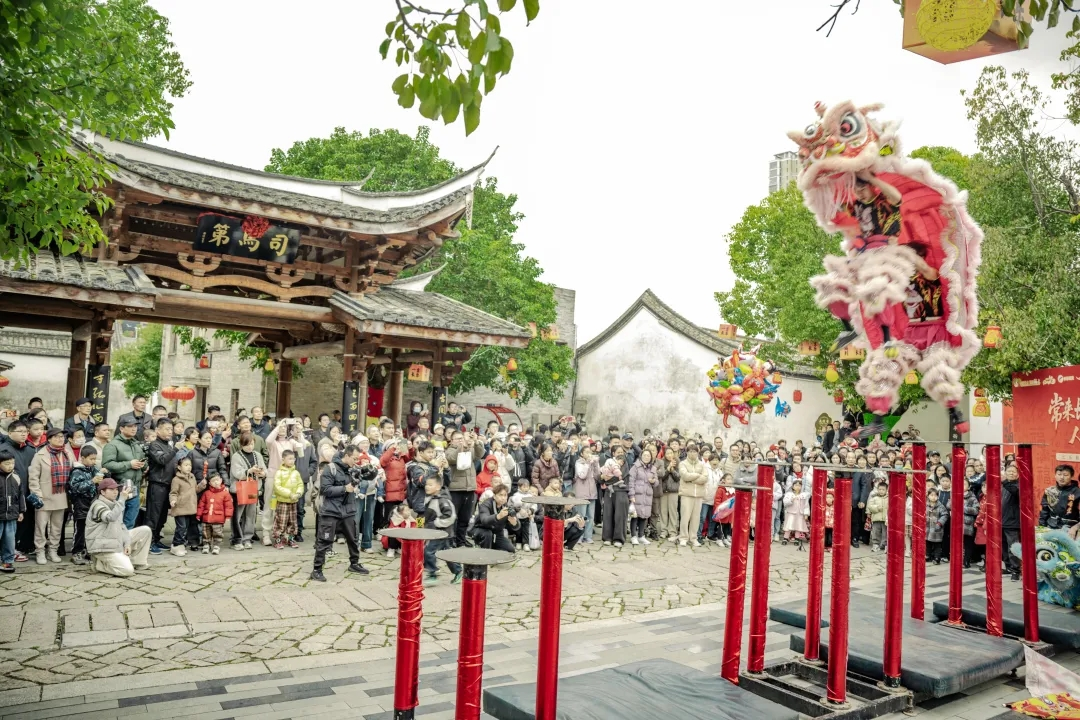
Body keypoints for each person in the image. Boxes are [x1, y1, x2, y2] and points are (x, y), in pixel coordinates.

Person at [311, 445, 368, 581]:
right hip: (331, 510)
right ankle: (317, 570)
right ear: (346, 455)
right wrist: (344, 488)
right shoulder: (330, 468)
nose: (356, 461)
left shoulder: (353, 469)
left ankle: (354, 563)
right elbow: (325, 490)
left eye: (358, 459)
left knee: (353, 539)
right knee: (324, 540)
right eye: (354, 458)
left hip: (348, 509)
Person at [85, 478, 152, 576]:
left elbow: (122, 526)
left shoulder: (116, 504)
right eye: (111, 489)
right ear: (102, 492)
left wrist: (127, 543)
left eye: (116, 489)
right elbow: (110, 517)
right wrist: (122, 499)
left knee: (145, 530)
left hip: (115, 541)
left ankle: (137, 562)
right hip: (103, 547)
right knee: (127, 571)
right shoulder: (97, 505)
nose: (115, 492)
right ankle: (99, 565)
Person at [27, 428, 74, 564]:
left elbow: (73, 471)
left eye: (62, 437)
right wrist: (37, 494)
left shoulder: (67, 453)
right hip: (44, 496)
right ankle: (40, 551)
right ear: (49, 439)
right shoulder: (40, 455)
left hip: (61, 494)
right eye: (57, 437)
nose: (60, 439)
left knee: (57, 526)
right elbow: (33, 477)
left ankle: (53, 550)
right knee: (41, 526)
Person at [0, 421, 37, 562]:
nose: (24, 434)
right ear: (10, 433)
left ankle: (14, 549)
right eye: (20, 431)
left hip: (27, 493)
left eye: (25, 431)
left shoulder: (30, 450)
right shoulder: (4, 449)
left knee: (23, 522)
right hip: (7, 495)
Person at [101, 416, 146, 529]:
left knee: (130, 522)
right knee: (116, 522)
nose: (134, 429)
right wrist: (129, 464)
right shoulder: (112, 445)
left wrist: (143, 465)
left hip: (135, 487)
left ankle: (126, 540)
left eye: (135, 426)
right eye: (130, 426)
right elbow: (107, 464)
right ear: (121, 428)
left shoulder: (136, 444)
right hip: (119, 488)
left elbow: (143, 461)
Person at [444, 430, 485, 548]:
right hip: (455, 489)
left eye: (461, 438)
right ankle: (451, 540)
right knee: (453, 517)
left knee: (465, 517)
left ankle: (461, 540)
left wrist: (476, 441)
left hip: (469, 488)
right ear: (451, 441)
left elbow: (480, 454)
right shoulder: (449, 450)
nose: (460, 440)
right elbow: (452, 458)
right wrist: (461, 447)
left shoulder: (469, 449)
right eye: (457, 439)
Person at [422, 472, 462, 586]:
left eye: (430, 485)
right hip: (436, 532)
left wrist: (437, 523)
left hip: (442, 533)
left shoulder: (442, 500)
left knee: (428, 551)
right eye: (426, 484)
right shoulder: (430, 499)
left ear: (438, 487)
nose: (427, 487)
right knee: (446, 554)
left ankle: (433, 573)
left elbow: (451, 516)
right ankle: (458, 571)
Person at [145, 419, 178, 554]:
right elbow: (162, 460)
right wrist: (176, 449)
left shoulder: (168, 445)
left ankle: (157, 538)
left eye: (171, 429)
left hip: (168, 484)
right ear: (158, 430)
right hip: (157, 484)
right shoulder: (154, 445)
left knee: (163, 516)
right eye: (167, 429)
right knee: (153, 515)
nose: (170, 432)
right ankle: (149, 542)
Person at [229, 432, 266, 550]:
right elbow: (237, 473)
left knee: (251, 514)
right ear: (242, 444)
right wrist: (249, 471)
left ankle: (247, 538)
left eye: (252, 444)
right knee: (237, 515)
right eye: (247, 444)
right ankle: (236, 539)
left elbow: (264, 470)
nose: (250, 447)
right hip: (239, 489)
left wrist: (262, 473)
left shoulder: (257, 455)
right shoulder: (236, 456)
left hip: (253, 488)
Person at [67, 446, 102, 565]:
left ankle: (88, 551)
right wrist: (92, 481)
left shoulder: (93, 469)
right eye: (91, 459)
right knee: (80, 530)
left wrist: (103, 474)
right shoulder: (77, 471)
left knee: (91, 529)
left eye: (95, 459)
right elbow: (75, 488)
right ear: (82, 458)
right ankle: (76, 552)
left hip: (92, 503)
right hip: (80, 504)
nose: (93, 461)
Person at [471, 484, 519, 553]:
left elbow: (517, 526)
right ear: (494, 496)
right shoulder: (486, 504)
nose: (503, 498)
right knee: (488, 534)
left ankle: (493, 549)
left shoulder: (506, 506)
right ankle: (484, 553)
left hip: (497, 534)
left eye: (505, 495)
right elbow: (485, 520)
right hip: (481, 530)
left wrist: (514, 523)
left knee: (510, 550)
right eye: (500, 495)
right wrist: (498, 516)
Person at [0, 449, 26, 573]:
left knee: (10, 540)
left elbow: (21, 495)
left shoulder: (16, 477)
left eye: (12, 463)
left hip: (12, 514)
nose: (10, 466)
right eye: (7, 463)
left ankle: (8, 561)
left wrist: (21, 511)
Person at [272, 449, 304, 548]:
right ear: (283, 459)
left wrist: (298, 493)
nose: (292, 461)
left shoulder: (296, 473)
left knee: (292, 521)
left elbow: (300, 484)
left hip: (293, 501)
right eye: (289, 459)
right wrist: (289, 494)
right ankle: (278, 539)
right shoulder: (279, 473)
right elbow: (277, 487)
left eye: (293, 459)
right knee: (281, 520)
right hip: (283, 501)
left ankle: (291, 538)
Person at [168, 455, 199, 556]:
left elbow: (195, 489)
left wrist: (201, 486)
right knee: (181, 527)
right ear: (179, 467)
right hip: (180, 507)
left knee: (186, 527)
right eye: (186, 465)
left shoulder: (192, 477)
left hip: (190, 507)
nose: (189, 467)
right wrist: (173, 500)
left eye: (190, 465)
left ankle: (181, 544)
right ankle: (176, 545)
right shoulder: (176, 479)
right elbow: (173, 492)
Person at [196, 473, 233, 555]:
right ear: (209, 483)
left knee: (218, 533)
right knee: (206, 532)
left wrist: (228, 516)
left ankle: (217, 545)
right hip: (206, 517)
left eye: (217, 480)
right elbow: (201, 505)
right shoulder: (206, 493)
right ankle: (206, 544)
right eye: (213, 481)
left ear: (221, 480)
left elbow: (228, 506)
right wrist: (199, 514)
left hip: (218, 518)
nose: (216, 482)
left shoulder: (225, 493)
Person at [678, 445, 707, 546]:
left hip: (698, 495)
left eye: (694, 451)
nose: (692, 453)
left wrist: (692, 479)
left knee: (696, 518)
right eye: (690, 451)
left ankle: (693, 538)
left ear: (697, 453)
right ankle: (683, 537)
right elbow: (685, 476)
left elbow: (705, 478)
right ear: (687, 452)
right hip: (686, 494)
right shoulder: (683, 463)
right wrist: (697, 475)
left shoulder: (702, 464)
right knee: (685, 517)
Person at [627, 448, 657, 545]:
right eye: (645, 455)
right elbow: (631, 481)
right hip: (637, 494)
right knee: (635, 516)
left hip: (647, 495)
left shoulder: (653, 468)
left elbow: (656, 482)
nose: (646, 457)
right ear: (641, 456)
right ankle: (633, 536)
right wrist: (631, 494)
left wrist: (653, 481)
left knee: (644, 516)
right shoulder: (635, 467)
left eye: (648, 456)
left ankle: (641, 535)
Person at [572, 443, 599, 544]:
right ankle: (579, 536)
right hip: (581, 492)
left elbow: (597, 475)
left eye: (590, 452)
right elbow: (582, 475)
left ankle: (588, 536)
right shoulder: (579, 462)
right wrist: (588, 463)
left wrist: (595, 464)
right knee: (581, 515)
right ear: (582, 454)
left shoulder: (592, 462)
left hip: (592, 492)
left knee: (590, 516)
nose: (589, 454)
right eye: (586, 452)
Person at [380, 438, 409, 531]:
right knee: (389, 516)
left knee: (399, 517)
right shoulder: (387, 458)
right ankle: (386, 536)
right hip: (390, 493)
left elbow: (410, 457)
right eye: (392, 445)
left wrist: (410, 448)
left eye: (396, 445)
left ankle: (397, 536)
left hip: (400, 492)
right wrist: (392, 449)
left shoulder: (401, 458)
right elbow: (382, 461)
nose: (396, 447)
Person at [1039, 464, 1080, 530]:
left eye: (1065, 475)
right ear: (1055, 475)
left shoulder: (1077, 492)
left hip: (1070, 528)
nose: (1061, 477)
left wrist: (1075, 528)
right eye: (1059, 474)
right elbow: (1044, 510)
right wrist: (1042, 526)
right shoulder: (1049, 491)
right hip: (1051, 525)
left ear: (1071, 476)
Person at [601, 458, 628, 547]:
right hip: (609, 491)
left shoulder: (625, 467)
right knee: (607, 515)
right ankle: (607, 538)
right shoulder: (608, 463)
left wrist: (609, 478)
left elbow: (622, 478)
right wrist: (602, 477)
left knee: (620, 516)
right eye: (617, 452)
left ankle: (618, 538)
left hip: (621, 492)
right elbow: (600, 476)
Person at [1002, 463, 1022, 581]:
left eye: (1013, 471)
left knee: (1013, 547)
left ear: (1018, 474)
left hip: (1013, 522)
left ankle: (1016, 570)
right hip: (1001, 521)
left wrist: (1004, 481)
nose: (1011, 473)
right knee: (1004, 547)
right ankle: (1008, 567)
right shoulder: (1003, 486)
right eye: (1009, 471)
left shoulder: (1018, 486)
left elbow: (1014, 491)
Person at [656, 446, 680, 540]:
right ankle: (663, 531)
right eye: (667, 453)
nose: (669, 455)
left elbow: (678, 477)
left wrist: (672, 470)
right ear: (664, 454)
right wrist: (668, 469)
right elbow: (661, 476)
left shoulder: (677, 462)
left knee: (673, 512)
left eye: (671, 453)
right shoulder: (661, 463)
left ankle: (672, 531)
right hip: (663, 490)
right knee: (663, 512)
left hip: (673, 491)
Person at [782, 479, 811, 549]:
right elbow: (785, 502)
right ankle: (785, 537)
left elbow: (806, 505)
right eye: (796, 485)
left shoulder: (803, 495)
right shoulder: (789, 494)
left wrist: (806, 514)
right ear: (793, 486)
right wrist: (791, 500)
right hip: (791, 512)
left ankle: (797, 538)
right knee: (789, 525)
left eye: (799, 485)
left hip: (800, 513)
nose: (798, 487)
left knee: (798, 525)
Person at [926, 488, 948, 564]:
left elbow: (945, 515)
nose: (933, 497)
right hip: (927, 528)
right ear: (928, 496)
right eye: (931, 495)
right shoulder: (925, 505)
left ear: (938, 497)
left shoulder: (940, 506)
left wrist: (939, 523)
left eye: (935, 495)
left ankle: (937, 557)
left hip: (937, 529)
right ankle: (928, 555)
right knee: (927, 542)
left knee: (937, 544)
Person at [866, 481, 888, 552]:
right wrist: (877, 508)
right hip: (876, 518)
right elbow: (870, 506)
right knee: (876, 532)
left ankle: (884, 544)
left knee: (885, 532)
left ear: (886, 490)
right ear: (877, 489)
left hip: (885, 519)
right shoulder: (874, 498)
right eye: (880, 489)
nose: (881, 491)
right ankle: (876, 544)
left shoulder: (888, 498)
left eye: (883, 489)